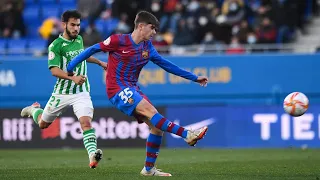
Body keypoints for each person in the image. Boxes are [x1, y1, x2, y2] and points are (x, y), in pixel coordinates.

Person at [67, 11, 209, 176]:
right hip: (116, 89)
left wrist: (194, 78)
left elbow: (168, 65)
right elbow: (91, 49)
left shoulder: (147, 47)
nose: (155, 32)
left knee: (156, 128)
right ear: (141, 26)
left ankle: (148, 169)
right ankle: (187, 134)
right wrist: (71, 67)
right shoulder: (117, 40)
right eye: (152, 28)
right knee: (151, 112)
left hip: (133, 88)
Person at [20, 10, 107, 169]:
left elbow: (83, 56)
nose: (76, 29)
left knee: (86, 123)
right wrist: (73, 77)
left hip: (81, 92)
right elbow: (54, 70)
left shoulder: (79, 39)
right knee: (43, 124)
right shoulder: (55, 45)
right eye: (73, 25)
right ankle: (34, 110)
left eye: (78, 25)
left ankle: (93, 156)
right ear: (64, 25)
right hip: (62, 92)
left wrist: (100, 63)